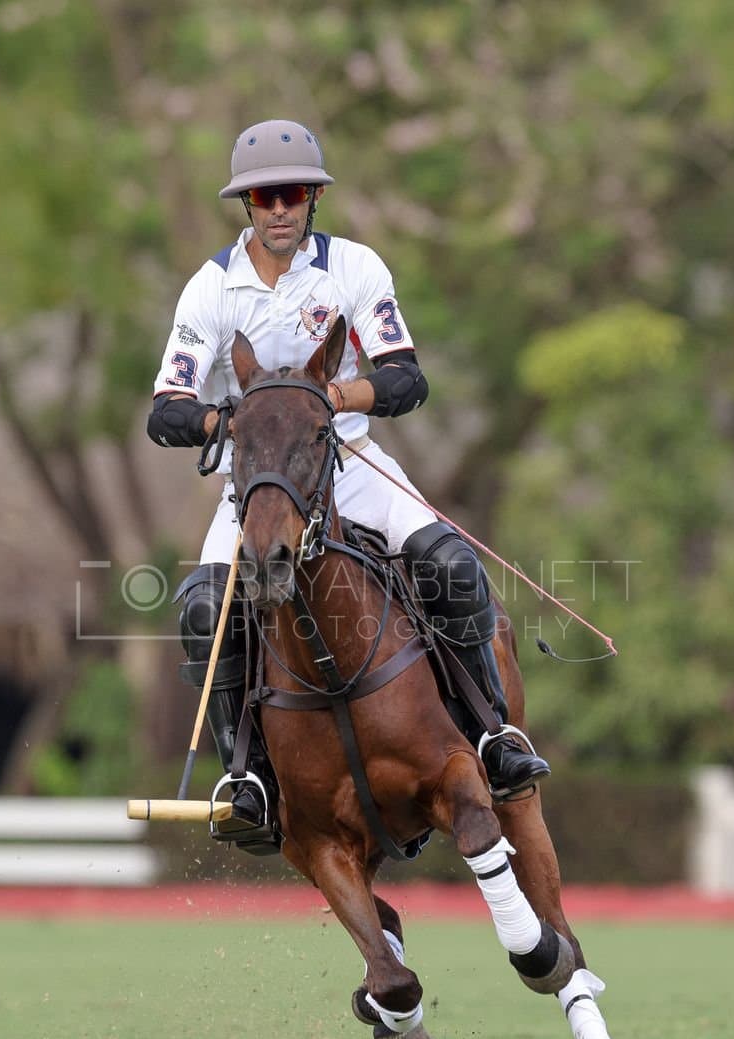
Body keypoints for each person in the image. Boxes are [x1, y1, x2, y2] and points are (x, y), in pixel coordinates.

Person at [148, 119, 549, 853]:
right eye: (263, 196)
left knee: (455, 566)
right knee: (205, 609)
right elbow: (165, 411)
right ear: (245, 205)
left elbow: (405, 377)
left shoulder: (354, 270)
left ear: (314, 199)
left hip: (354, 466)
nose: (278, 210)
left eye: (292, 194)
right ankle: (248, 776)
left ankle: (496, 737)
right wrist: (227, 422)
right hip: (260, 487)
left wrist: (335, 399)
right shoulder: (211, 289)